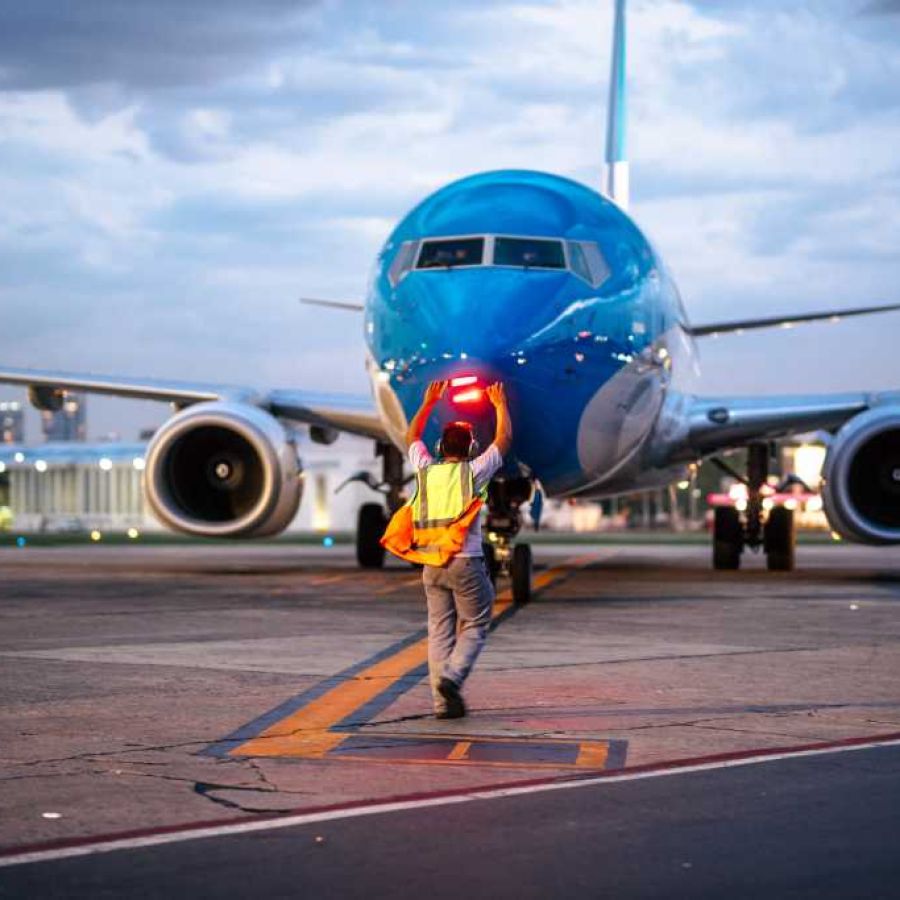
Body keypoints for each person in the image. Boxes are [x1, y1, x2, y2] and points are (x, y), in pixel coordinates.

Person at [383, 379, 512, 719]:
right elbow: (504, 441)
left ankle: (442, 704)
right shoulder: (473, 472)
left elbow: (411, 438)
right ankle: (453, 677)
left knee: (439, 631)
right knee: (476, 624)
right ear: (470, 449)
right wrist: (499, 405)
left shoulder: (425, 471)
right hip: (466, 563)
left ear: (440, 447)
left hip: (431, 565)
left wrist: (428, 403)